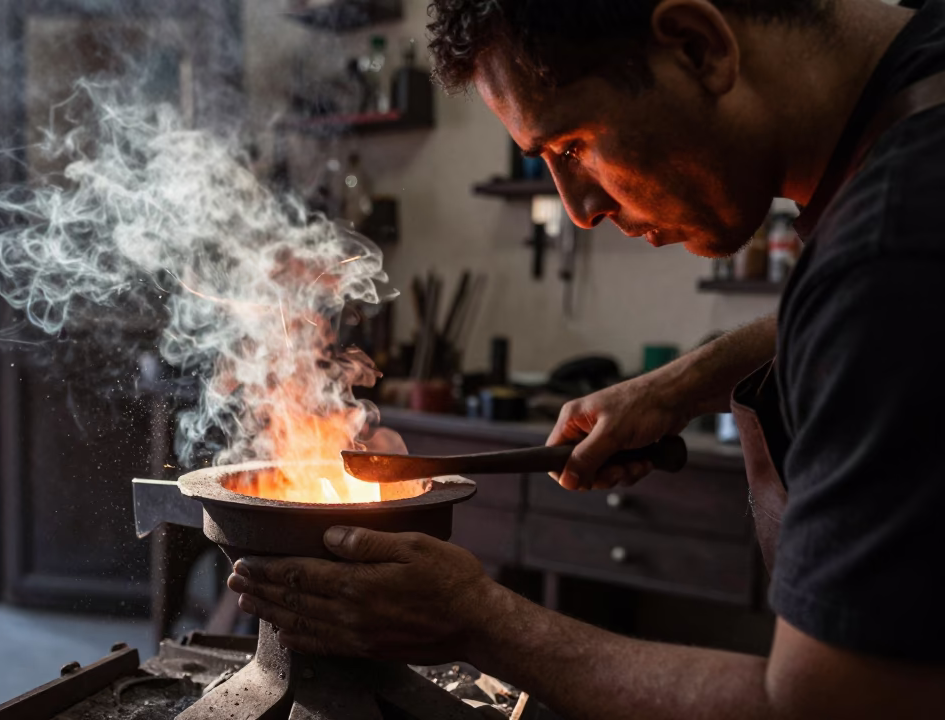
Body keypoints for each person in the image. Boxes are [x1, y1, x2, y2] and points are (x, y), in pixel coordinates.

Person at [227, 1, 945, 717]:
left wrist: (474, 620)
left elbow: (831, 709)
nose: (576, 208)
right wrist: (681, 385)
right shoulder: (918, 87)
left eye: (573, 145)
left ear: (698, 49)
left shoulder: (892, 250)